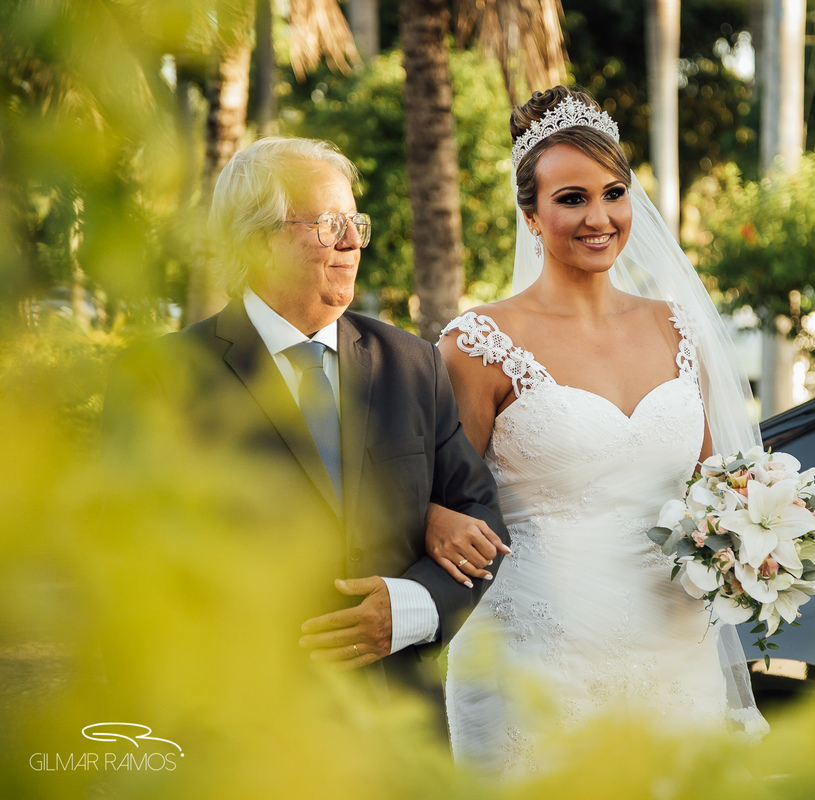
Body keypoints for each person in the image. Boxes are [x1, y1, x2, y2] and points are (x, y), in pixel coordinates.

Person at [102, 137, 509, 701]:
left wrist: (412, 607)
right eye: (327, 223)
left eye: (353, 222)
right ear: (257, 242)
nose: (350, 241)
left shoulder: (412, 362)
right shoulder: (160, 379)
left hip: (397, 732)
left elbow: (480, 515)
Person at [437, 87, 766, 775]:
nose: (600, 218)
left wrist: (759, 542)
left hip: (676, 650)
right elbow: (443, 501)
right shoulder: (478, 342)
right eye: (572, 198)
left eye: (613, 193)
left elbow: (717, 492)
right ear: (530, 213)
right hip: (539, 660)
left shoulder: (678, 329)